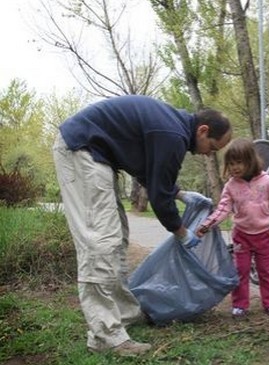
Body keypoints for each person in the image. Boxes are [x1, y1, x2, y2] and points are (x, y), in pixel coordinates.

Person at [52, 95, 232, 355]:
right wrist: (181, 232)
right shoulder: (173, 134)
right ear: (203, 130)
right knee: (100, 241)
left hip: (95, 154)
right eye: (213, 147)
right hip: (81, 150)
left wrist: (180, 194)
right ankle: (105, 336)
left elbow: (150, 173)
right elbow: (158, 195)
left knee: (117, 237)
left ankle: (124, 313)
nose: (209, 154)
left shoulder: (173, 127)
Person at [196, 138, 269, 318]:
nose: (235, 167)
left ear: (250, 160)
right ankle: (240, 304)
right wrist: (207, 224)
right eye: (231, 163)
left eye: (239, 162)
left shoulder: (267, 182)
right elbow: (223, 208)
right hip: (241, 236)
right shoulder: (231, 186)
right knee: (241, 271)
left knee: (266, 271)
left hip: (264, 234)